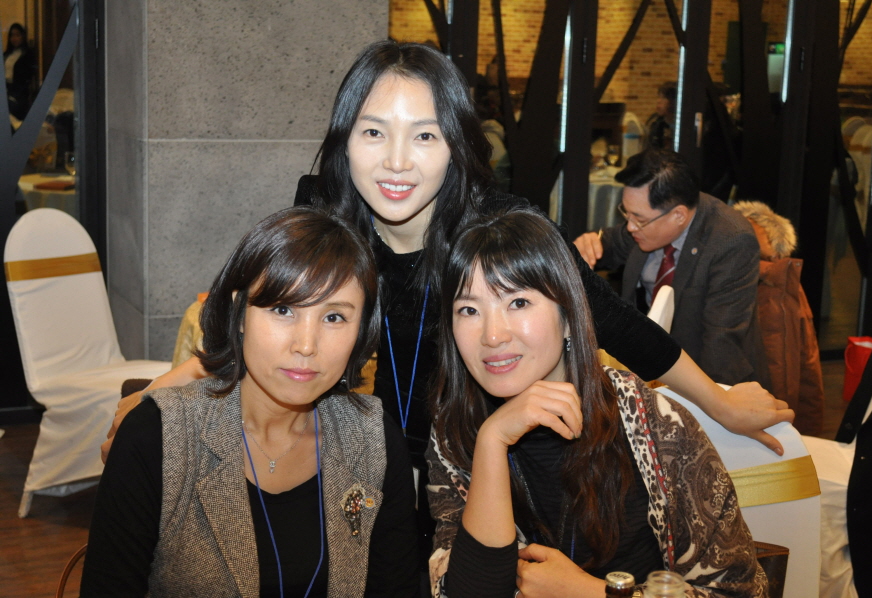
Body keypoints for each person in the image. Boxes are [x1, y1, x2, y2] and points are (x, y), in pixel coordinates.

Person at [102, 39, 789, 575]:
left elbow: (614, 320)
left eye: (425, 136)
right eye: (374, 133)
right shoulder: (330, 213)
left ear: (456, 145)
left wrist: (721, 402)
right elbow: (268, 321)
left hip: (471, 462)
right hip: (365, 461)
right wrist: (159, 393)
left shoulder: (496, 230)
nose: (397, 162)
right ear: (345, 139)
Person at [426, 208, 766, 597]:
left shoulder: (653, 424)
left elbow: (741, 591)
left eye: (518, 303)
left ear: (569, 316)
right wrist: (493, 439)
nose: (492, 335)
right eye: (469, 310)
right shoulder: (455, 432)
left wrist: (593, 594)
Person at [82, 207, 419, 597]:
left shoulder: (374, 441)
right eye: (283, 309)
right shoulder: (157, 439)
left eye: (334, 318)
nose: (306, 346)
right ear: (240, 312)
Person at [574, 149, 768, 387]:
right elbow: (610, 244)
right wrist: (587, 245)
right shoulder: (648, 222)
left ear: (679, 215)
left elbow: (722, 343)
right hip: (646, 369)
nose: (630, 227)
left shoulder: (731, 242)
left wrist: (704, 402)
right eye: (627, 214)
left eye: (639, 219)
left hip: (705, 379)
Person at [733, 200, 824, 436]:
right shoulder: (779, 279)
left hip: (753, 419)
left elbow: (782, 369)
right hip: (764, 417)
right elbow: (807, 366)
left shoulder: (771, 285)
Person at [4, 23, 35, 120]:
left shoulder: (27, 54)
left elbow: (27, 77)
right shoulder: (6, 54)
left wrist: (15, 94)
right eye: (12, 35)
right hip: (5, 88)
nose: (14, 38)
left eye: (17, 35)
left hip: (19, 92)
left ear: (23, 36)